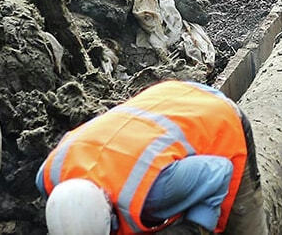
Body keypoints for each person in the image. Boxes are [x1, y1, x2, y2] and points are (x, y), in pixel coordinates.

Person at [37, 81, 267, 235]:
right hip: (159, 102)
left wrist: (196, 227)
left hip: (215, 118)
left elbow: (220, 171)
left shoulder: (155, 192)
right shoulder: (49, 175)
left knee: (244, 224)